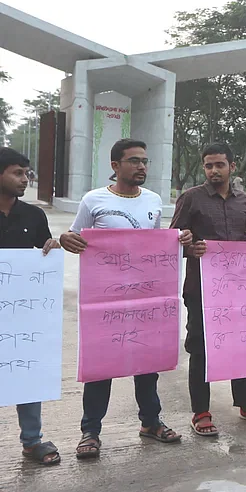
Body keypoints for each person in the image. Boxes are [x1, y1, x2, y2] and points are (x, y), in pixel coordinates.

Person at [60, 138, 192, 459]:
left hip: (146, 299)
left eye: (145, 161)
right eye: (134, 161)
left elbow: (158, 246)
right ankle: (90, 431)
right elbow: (75, 237)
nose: (142, 166)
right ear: (115, 166)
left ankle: (150, 422)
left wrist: (180, 241)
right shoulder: (94, 200)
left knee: (148, 364)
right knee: (100, 367)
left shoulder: (153, 201)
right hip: (106, 301)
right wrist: (65, 238)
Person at [170, 144, 246, 436]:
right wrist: (190, 248)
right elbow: (173, 240)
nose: (214, 171)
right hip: (201, 288)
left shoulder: (242, 200)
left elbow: (239, 238)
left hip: (237, 288)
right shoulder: (191, 198)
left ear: (232, 166)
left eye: (219, 165)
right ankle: (201, 412)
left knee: (242, 344)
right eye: (208, 166)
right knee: (201, 348)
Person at [0, 148, 62, 465]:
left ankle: (32, 440)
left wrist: (51, 247)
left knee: (25, 370)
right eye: (17, 173)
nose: (25, 179)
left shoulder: (34, 216)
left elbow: (44, 253)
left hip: (22, 311)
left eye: (27, 173)